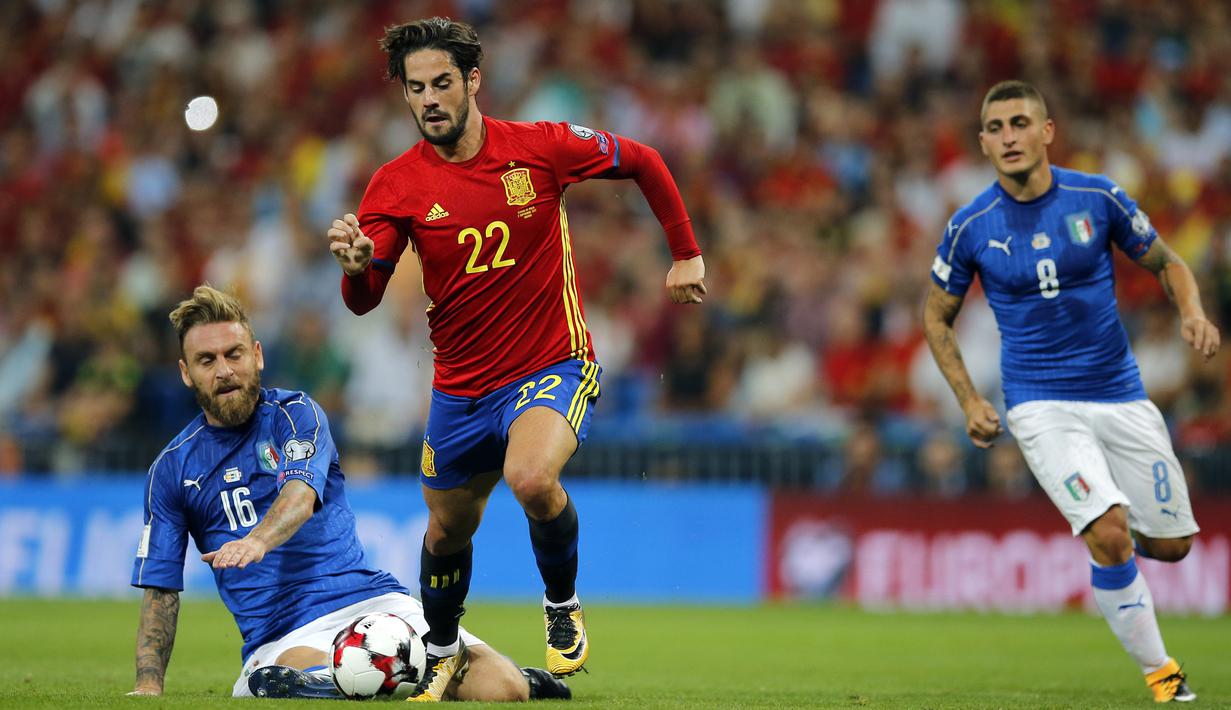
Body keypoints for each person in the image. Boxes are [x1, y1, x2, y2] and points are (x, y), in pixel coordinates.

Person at [326, 17, 706, 702]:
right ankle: (441, 648)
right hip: (461, 390)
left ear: (472, 80)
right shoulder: (395, 185)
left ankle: (560, 603)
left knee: (530, 478)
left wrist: (684, 252)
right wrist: (356, 267)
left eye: (442, 82)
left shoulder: (539, 147)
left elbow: (644, 160)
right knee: (446, 529)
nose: (430, 99)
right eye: (416, 88)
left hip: (551, 363)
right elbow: (363, 297)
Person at [923, 80, 1219, 704]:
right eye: (996, 127)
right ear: (982, 142)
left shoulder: (1098, 195)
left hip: (1120, 392)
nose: (1009, 137)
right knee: (1109, 530)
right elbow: (935, 316)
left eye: (1020, 123)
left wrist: (1192, 311)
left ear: (1047, 131)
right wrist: (971, 400)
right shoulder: (970, 225)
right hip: (1040, 403)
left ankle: (1099, 523)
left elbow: (1168, 261)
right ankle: (1164, 676)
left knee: (1173, 545)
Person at [128, 285, 570, 702]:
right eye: (207, 360)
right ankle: (384, 671)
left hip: (374, 602)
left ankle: (477, 673)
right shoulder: (172, 469)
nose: (224, 370)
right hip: (282, 638)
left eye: (234, 354)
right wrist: (149, 687)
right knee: (281, 676)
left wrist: (257, 540)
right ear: (186, 373)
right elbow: (161, 589)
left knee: (504, 689)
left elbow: (299, 496)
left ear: (257, 356)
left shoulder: (296, 416)